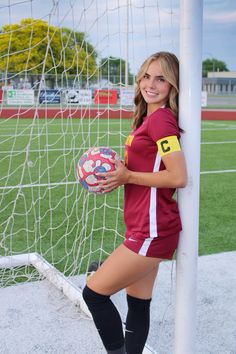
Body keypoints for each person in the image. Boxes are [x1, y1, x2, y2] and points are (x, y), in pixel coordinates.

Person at [82, 51, 187, 354]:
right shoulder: (149, 119)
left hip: (152, 230)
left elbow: (178, 176)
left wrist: (128, 176)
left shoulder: (162, 121)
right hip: (145, 225)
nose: (151, 84)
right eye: (146, 76)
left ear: (173, 85)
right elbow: (144, 170)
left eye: (161, 78)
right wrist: (119, 175)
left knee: (94, 294)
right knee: (137, 303)